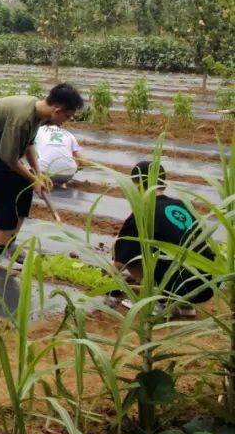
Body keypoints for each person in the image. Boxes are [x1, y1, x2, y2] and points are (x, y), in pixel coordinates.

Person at [0, 83, 85, 271]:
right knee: (5, 202)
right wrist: (34, 179)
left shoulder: (38, 113)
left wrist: (38, 174)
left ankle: (9, 246)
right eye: (67, 116)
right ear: (57, 110)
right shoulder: (22, 119)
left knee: (24, 192)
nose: (66, 121)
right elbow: (9, 159)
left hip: (0, 151)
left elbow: (29, 143)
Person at [113, 161, 215, 318]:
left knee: (129, 249)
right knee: (176, 249)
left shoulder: (144, 212)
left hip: (179, 283)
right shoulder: (181, 205)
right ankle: (185, 305)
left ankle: (154, 302)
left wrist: (108, 283)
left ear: (138, 184)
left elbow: (121, 261)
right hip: (206, 283)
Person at [35, 122, 89, 187]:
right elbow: (84, 162)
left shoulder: (37, 131)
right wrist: (76, 169)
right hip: (66, 175)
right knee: (74, 157)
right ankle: (62, 183)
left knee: (32, 152)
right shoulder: (69, 134)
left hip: (42, 173)